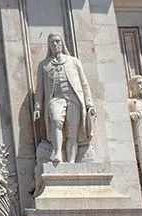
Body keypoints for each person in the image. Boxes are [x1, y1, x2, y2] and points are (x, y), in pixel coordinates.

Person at [33, 33, 96, 163]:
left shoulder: (74, 61)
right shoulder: (44, 65)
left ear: (62, 43)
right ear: (49, 46)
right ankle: (57, 154)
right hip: (56, 99)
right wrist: (37, 106)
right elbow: (40, 89)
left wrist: (90, 104)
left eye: (57, 41)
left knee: (72, 132)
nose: (55, 44)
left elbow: (84, 84)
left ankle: (71, 162)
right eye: (52, 42)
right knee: (56, 120)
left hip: (74, 99)